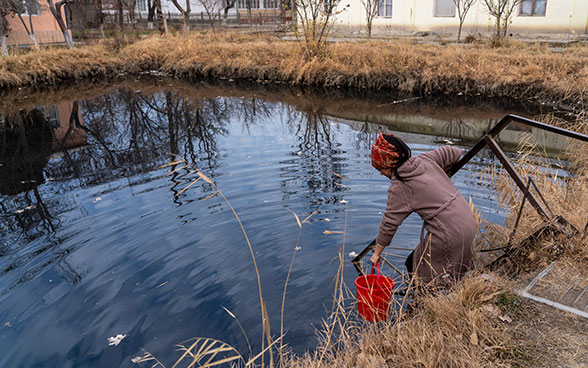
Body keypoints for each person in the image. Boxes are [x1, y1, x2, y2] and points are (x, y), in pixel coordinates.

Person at [369, 133, 477, 285]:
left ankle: (422, 302)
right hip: (468, 222)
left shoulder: (400, 186)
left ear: (390, 164)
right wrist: (441, 173)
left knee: (418, 270)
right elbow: (455, 152)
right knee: (447, 269)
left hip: (449, 233)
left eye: (381, 168)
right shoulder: (426, 159)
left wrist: (376, 254)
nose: (381, 172)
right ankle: (453, 295)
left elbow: (389, 223)